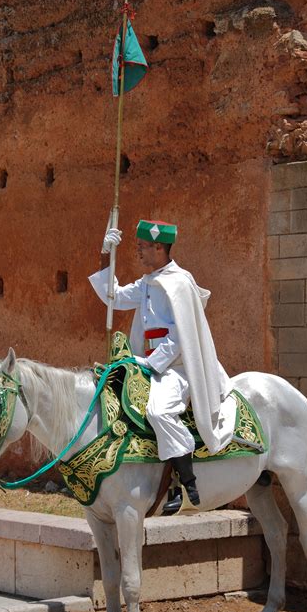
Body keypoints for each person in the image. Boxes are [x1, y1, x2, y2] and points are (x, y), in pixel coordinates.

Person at [89, 220, 232, 514]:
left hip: (179, 367)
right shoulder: (146, 283)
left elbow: (181, 337)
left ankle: (184, 481)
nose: (138, 252)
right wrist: (106, 254)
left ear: (158, 247)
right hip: (149, 364)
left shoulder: (180, 283)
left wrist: (150, 362)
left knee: (158, 410)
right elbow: (111, 298)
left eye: (142, 247)